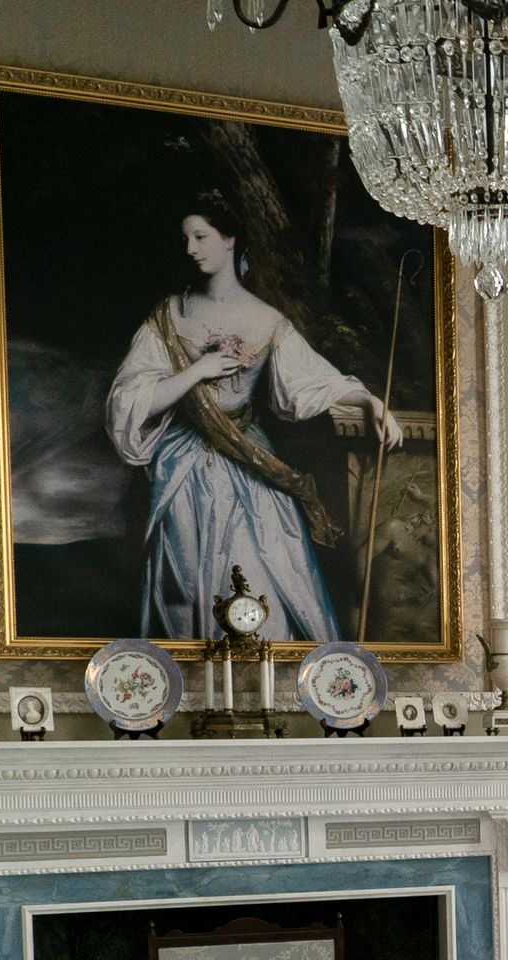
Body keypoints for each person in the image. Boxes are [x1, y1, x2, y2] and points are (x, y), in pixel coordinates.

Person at [106, 191, 401, 641]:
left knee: (269, 568)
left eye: (201, 237)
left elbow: (311, 380)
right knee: (186, 584)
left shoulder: (267, 319)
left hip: (250, 461)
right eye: (186, 239)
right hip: (182, 467)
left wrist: (370, 402)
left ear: (230, 240)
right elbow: (129, 398)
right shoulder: (169, 315)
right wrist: (197, 371)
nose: (191, 249)